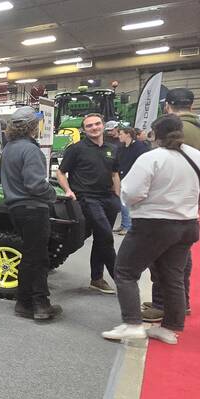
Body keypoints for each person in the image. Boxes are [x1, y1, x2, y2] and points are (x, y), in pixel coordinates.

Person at [102, 114, 200, 345]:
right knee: (173, 277)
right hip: (188, 225)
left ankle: (132, 323)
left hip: (153, 225)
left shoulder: (152, 158)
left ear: (155, 134)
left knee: (125, 272)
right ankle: (170, 328)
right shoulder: (199, 158)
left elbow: (131, 192)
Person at [141, 89, 200, 323]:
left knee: (161, 256)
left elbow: (161, 166)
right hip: (189, 203)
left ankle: (163, 304)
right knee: (180, 255)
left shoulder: (172, 128)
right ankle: (181, 300)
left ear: (168, 105)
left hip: (166, 205)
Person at [0, 107, 61, 321]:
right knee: (38, 258)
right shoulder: (30, 149)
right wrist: (53, 194)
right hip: (33, 208)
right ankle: (41, 305)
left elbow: (1, 178)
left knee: (29, 256)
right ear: (32, 126)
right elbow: (35, 185)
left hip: (17, 210)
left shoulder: (9, 148)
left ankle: (23, 303)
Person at [57, 113, 120, 294]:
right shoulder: (76, 149)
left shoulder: (112, 148)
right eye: (90, 125)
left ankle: (97, 279)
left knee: (100, 238)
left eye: (97, 124)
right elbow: (61, 173)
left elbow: (115, 173)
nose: (94, 128)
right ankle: (122, 280)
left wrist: (117, 195)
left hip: (108, 199)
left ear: (103, 125)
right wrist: (69, 191)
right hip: (87, 198)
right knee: (107, 236)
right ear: (84, 130)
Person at [113, 127, 150, 234]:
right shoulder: (121, 147)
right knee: (122, 201)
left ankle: (128, 225)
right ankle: (125, 224)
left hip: (134, 176)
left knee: (126, 202)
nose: (119, 136)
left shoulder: (139, 147)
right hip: (122, 176)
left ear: (128, 134)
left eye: (121, 134)